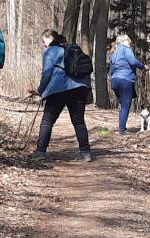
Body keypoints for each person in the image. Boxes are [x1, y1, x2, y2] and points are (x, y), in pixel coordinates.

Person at [30, 30, 93, 162]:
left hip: (59, 89)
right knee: (79, 122)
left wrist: (41, 90)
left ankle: (40, 152)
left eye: (43, 41)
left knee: (47, 121)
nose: (43, 44)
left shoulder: (50, 51)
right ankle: (86, 153)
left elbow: (46, 73)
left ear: (50, 38)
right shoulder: (73, 49)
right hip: (79, 88)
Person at [109, 34, 144, 134]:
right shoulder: (125, 48)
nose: (130, 42)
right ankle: (122, 129)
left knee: (123, 104)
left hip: (114, 80)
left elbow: (111, 70)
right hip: (125, 79)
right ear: (125, 41)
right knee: (125, 105)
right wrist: (142, 66)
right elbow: (132, 61)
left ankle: (122, 127)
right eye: (129, 40)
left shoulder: (114, 52)